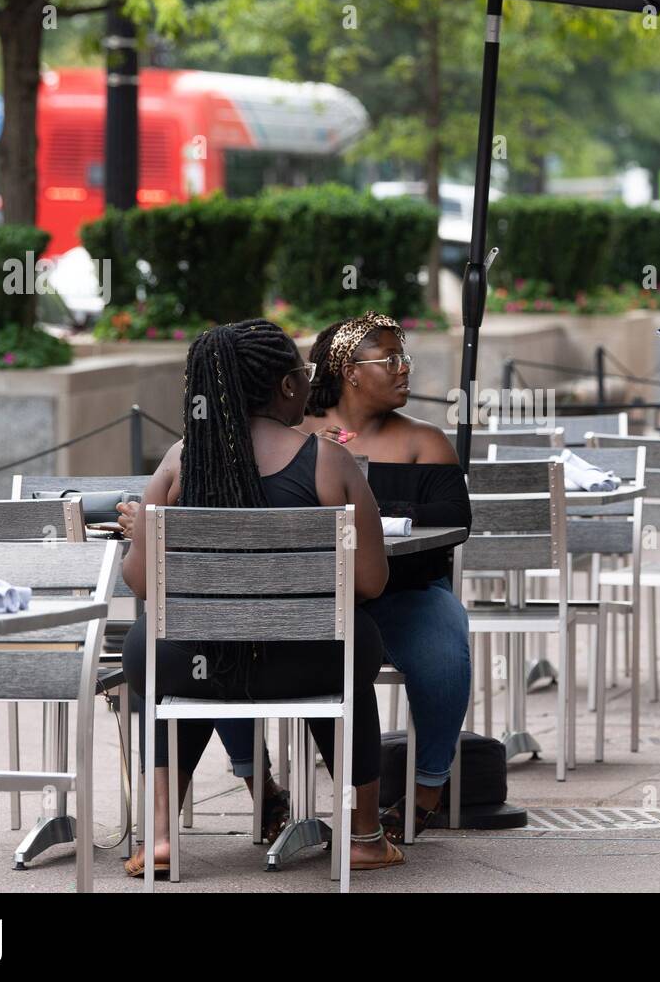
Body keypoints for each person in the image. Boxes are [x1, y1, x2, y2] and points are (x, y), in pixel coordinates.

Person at [118, 319, 403, 875]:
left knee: (171, 644)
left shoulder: (179, 461)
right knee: (351, 644)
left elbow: (139, 581)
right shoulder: (329, 462)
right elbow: (371, 581)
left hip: (194, 669)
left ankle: (158, 838)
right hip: (308, 665)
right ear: (288, 387)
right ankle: (364, 837)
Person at [300, 311, 472, 842]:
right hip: (319, 593)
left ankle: (427, 786)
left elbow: (453, 519)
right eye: (389, 359)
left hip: (407, 588)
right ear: (350, 371)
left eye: (405, 358)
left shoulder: (425, 440)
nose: (404, 370)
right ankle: (267, 793)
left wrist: (351, 489)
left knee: (445, 654)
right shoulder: (299, 436)